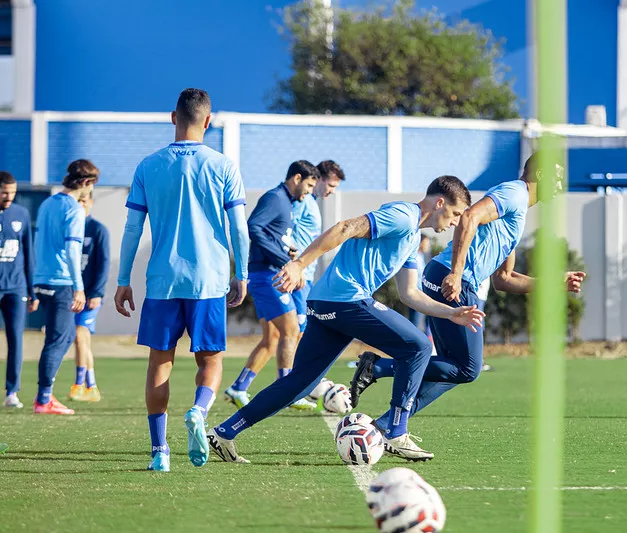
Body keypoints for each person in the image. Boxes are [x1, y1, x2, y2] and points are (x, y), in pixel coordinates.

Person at [206, 176, 484, 464]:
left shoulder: (412, 237)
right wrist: (299, 264)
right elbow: (345, 228)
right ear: (439, 203)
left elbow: (410, 293)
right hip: (346, 300)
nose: (456, 222)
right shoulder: (403, 216)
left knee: (299, 384)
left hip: (325, 302)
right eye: (455, 214)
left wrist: (451, 312)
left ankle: (224, 432)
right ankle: (395, 430)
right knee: (418, 346)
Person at [350, 156, 585, 432]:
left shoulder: (517, 215)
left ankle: (388, 425)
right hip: (452, 280)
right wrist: (456, 273)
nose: (561, 184)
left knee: (453, 370)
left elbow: (504, 279)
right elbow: (469, 217)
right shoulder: (514, 193)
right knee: (468, 369)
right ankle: (379, 369)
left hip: (449, 278)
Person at [114, 88, 250, 472]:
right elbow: (239, 228)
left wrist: (123, 279)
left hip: (162, 281)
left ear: (173, 117)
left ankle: (160, 452)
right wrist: (242, 274)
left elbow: (132, 229)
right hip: (209, 280)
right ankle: (199, 411)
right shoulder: (223, 166)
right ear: (208, 121)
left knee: (160, 363)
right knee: (211, 360)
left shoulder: (148, 166)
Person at [224, 160, 344, 410]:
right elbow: (257, 228)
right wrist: (291, 263)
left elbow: (280, 233)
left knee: (274, 337)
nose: (330, 191)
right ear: (310, 180)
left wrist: (286, 253)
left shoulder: (292, 201)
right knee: (293, 331)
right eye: (328, 185)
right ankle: (289, 390)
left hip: (283, 272)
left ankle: (240, 387)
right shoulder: (291, 200)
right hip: (282, 275)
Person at [32, 159, 98, 415]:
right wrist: (78, 288)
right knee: (59, 339)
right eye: (91, 186)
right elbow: (72, 251)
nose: (90, 192)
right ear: (85, 182)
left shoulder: (47, 203)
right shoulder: (74, 209)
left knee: (62, 336)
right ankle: (43, 399)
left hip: (42, 279)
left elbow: (38, 242)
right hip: (61, 282)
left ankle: (44, 395)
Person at [68, 191, 110, 402]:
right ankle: (91, 386)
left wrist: (97, 293)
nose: (80, 204)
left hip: (90, 295)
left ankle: (79, 384)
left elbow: (104, 264)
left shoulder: (98, 229)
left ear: (91, 202)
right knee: (81, 340)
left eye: (83, 201)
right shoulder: (69, 227)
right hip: (71, 294)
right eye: (77, 201)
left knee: (79, 335)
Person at [0, 171, 37, 408]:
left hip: (16, 289)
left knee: (15, 339)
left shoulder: (21, 214)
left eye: (12, 193)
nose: (9, 197)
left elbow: (28, 254)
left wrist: (32, 291)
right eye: (4, 192)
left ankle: (12, 392)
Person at [406, 235, 431, 331]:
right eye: (426, 243)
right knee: (415, 321)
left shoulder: (421, 256)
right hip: (417, 293)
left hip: (421, 292)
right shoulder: (415, 257)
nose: (428, 246)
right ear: (420, 243)